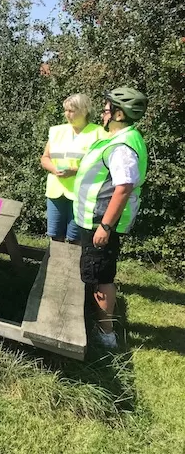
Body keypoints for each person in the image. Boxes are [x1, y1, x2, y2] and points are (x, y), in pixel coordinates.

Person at [73, 87, 148, 349]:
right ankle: (94, 319)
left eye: (107, 108)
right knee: (95, 271)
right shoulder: (119, 138)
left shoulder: (123, 146)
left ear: (118, 113)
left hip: (101, 221)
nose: (103, 113)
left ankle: (106, 336)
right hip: (93, 219)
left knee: (102, 275)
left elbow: (124, 187)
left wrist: (106, 225)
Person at [40, 93, 107, 243]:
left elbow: (101, 166)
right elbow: (45, 158)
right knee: (54, 235)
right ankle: (53, 266)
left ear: (84, 110)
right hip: (56, 192)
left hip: (82, 194)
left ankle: (72, 266)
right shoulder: (57, 131)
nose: (67, 114)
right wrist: (53, 169)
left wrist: (75, 171)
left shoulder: (99, 133)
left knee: (75, 238)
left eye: (71, 111)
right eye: (66, 110)